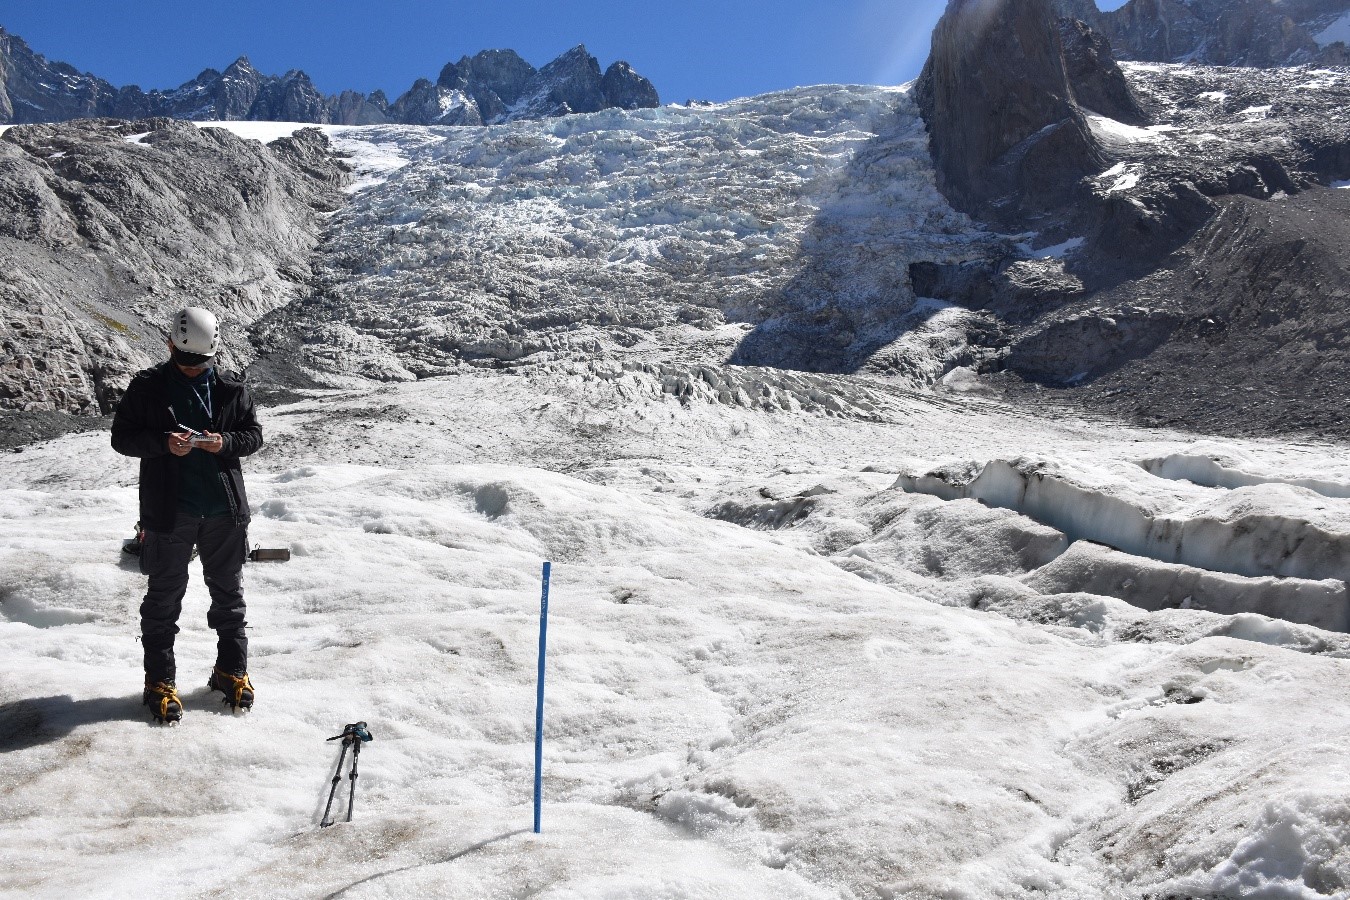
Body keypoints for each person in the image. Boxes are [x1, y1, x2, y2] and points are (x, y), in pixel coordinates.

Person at [111, 307, 263, 724]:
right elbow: (122, 438)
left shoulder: (232, 389)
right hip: (170, 512)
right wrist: (164, 442)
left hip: (224, 512)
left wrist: (224, 441)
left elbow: (253, 436)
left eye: (199, 363)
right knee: (164, 600)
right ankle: (159, 681)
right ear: (169, 348)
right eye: (185, 362)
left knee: (228, 596)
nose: (192, 370)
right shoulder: (147, 388)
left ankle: (231, 671)